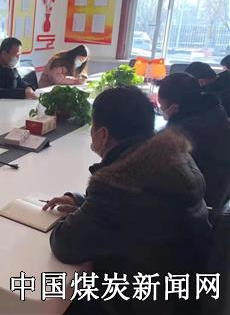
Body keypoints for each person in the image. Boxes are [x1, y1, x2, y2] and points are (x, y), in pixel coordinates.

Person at [45, 86, 211, 315]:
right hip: (179, 296)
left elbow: (66, 244)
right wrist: (84, 202)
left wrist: (81, 212)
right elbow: (138, 214)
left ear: (103, 134)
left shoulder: (119, 186)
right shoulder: (176, 160)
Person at [158, 73, 230, 209]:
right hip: (217, 193)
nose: (161, 110)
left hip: (200, 204)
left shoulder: (184, 131)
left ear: (174, 108)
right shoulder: (214, 111)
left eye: (161, 105)